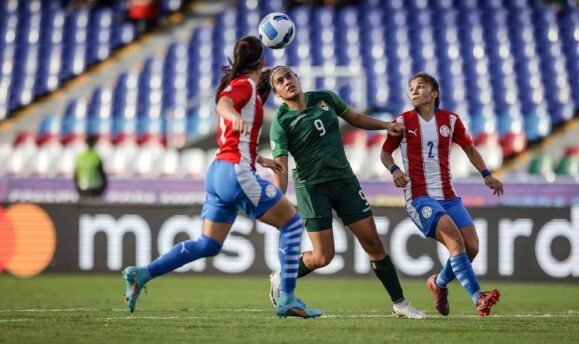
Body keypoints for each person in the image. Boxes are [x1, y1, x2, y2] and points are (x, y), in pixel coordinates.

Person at [122, 36, 321, 318]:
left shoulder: (238, 84)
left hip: (219, 171)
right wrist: (231, 115)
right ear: (261, 62)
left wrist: (260, 158)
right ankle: (287, 297)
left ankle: (142, 274)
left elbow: (231, 128)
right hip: (235, 172)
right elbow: (223, 104)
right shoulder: (244, 85)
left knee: (208, 244)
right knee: (291, 223)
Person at [265, 66, 426, 319]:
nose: (287, 82)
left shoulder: (325, 98)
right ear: (276, 92)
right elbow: (281, 167)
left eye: (289, 76)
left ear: (298, 77)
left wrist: (385, 125)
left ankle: (400, 304)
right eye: (280, 81)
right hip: (312, 188)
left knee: (373, 243)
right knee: (322, 257)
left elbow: (354, 118)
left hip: (344, 181)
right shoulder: (280, 123)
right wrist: (276, 200)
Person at [380, 72, 504, 316]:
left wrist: (486, 174)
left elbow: (469, 148)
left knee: (472, 247)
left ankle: (438, 284)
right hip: (419, 197)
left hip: (448, 195)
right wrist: (394, 170)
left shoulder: (451, 120)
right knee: (455, 242)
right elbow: (385, 153)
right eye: (411, 88)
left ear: (434, 93)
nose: (413, 91)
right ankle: (478, 297)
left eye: (420, 87)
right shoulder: (402, 121)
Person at [74, 135, 107, 199]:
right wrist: (103, 187)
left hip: (83, 187)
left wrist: (78, 187)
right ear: (94, 143)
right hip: (95, 187)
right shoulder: (96, 156)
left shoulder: (80, 157)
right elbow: (102, 173)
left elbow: (76, 174)